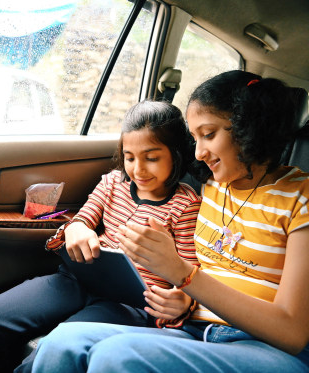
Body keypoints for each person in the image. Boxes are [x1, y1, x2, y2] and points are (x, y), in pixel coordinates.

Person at [30, 70, 309, 373]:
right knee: (62, 342)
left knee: (117, 354)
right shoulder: (215, 187)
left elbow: (292, 334)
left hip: (261, 346)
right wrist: (183, 299)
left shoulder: (301, 198)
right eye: (194, 138)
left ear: (249, 128)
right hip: (192, 330)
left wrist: (179, 272)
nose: (199, 153)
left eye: (209, 134)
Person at [0, 100, 202, 373]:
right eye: (130, 157)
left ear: (176, 154)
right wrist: (77, 229)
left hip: (129, 304)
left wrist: (182, 299)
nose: (138, 169)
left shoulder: (186, 206)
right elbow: (83, 219)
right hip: (79, 278)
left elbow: (187, 271)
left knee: (49, 352)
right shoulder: (113, 183)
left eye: (151, 157)